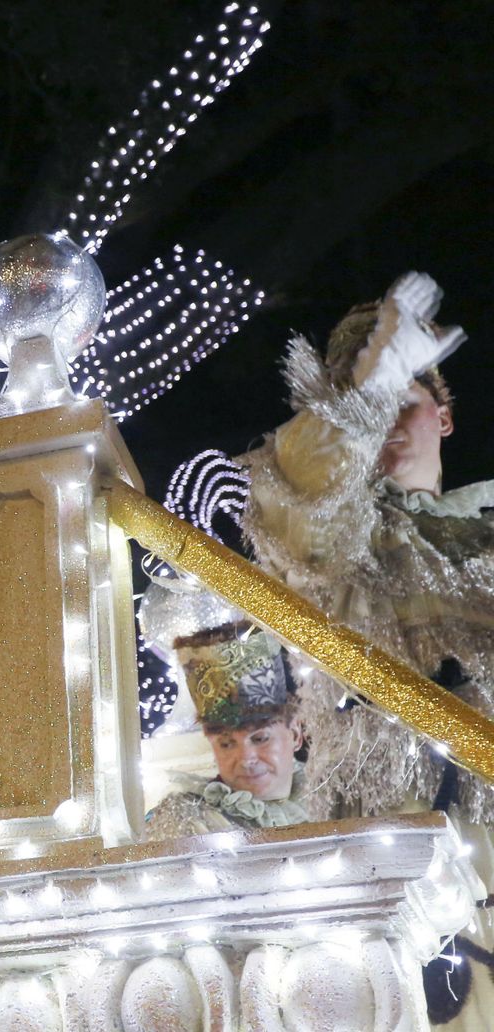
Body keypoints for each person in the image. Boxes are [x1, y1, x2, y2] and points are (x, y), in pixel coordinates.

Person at [237, 272, 494, 1023]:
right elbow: (302, 509)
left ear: (443, 416)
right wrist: (371, 385)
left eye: (404, 401)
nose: (385, 424)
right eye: (365, 408)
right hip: (386, 895)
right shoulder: (340, 549)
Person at [138, 578, 308, 839]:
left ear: (295, 734)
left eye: (260, 738)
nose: (246, 757)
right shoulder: (188, 824)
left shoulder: (338, 799)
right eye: (227, 744)